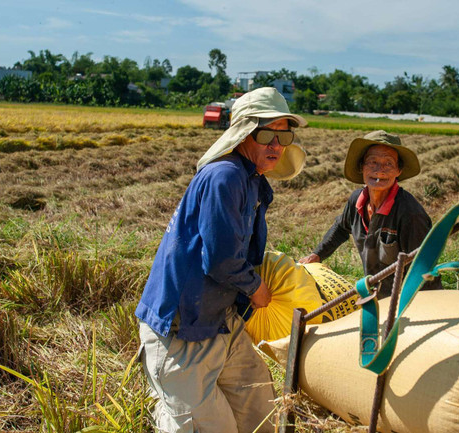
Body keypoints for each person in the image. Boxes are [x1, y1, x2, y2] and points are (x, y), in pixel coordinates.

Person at [134, 87, 307, 433]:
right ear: (244, 133)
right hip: (182, 329)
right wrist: (256, 287)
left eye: (284, 134)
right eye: (267, 133)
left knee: (259, 410)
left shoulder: (251, 180)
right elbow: (220, 259)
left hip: (220, 320)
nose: (276, 144)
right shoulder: (225, 176)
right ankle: (169, 408)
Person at [298, 130, 441, 298]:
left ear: (399, 171)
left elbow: (421, 268)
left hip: (411, 300)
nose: (380, 170)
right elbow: (341, 228)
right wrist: (317, 255)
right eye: (372, 162)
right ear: (361, 167)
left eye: (388, 163)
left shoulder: (410, 213)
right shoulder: (356, 200)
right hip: (376, 296)